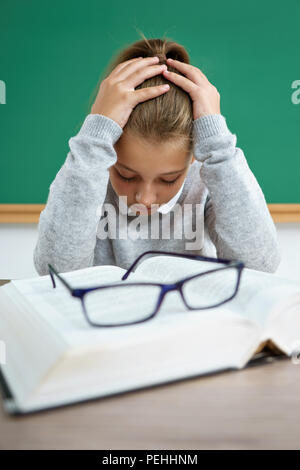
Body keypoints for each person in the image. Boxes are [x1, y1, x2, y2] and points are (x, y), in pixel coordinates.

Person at [33, 35, 281, 276]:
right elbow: (54, 271)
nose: (145, 198)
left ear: (192, 158)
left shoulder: (208, 179)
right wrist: (94, 139)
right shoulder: (88, 173)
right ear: (109, 151)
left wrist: (219, 145)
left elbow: (260, 267)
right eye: (126, 175)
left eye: (168, 179)